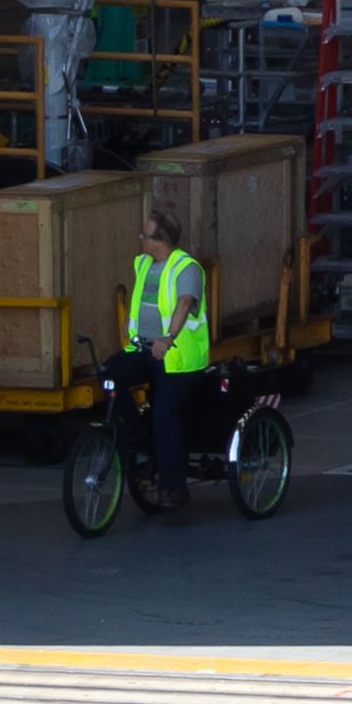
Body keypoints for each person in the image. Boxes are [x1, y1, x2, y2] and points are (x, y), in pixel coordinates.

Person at [121, 181, 214, 499]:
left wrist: (167, 338)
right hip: (144, 349)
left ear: (159, 240)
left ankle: (174, 485)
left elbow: (184, 304)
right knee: (110, 374)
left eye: (145, 234)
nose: (141, 238)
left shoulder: (186, 268)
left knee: (164, 416)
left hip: (178, 359)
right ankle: (139, 436)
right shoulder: (144, 264)